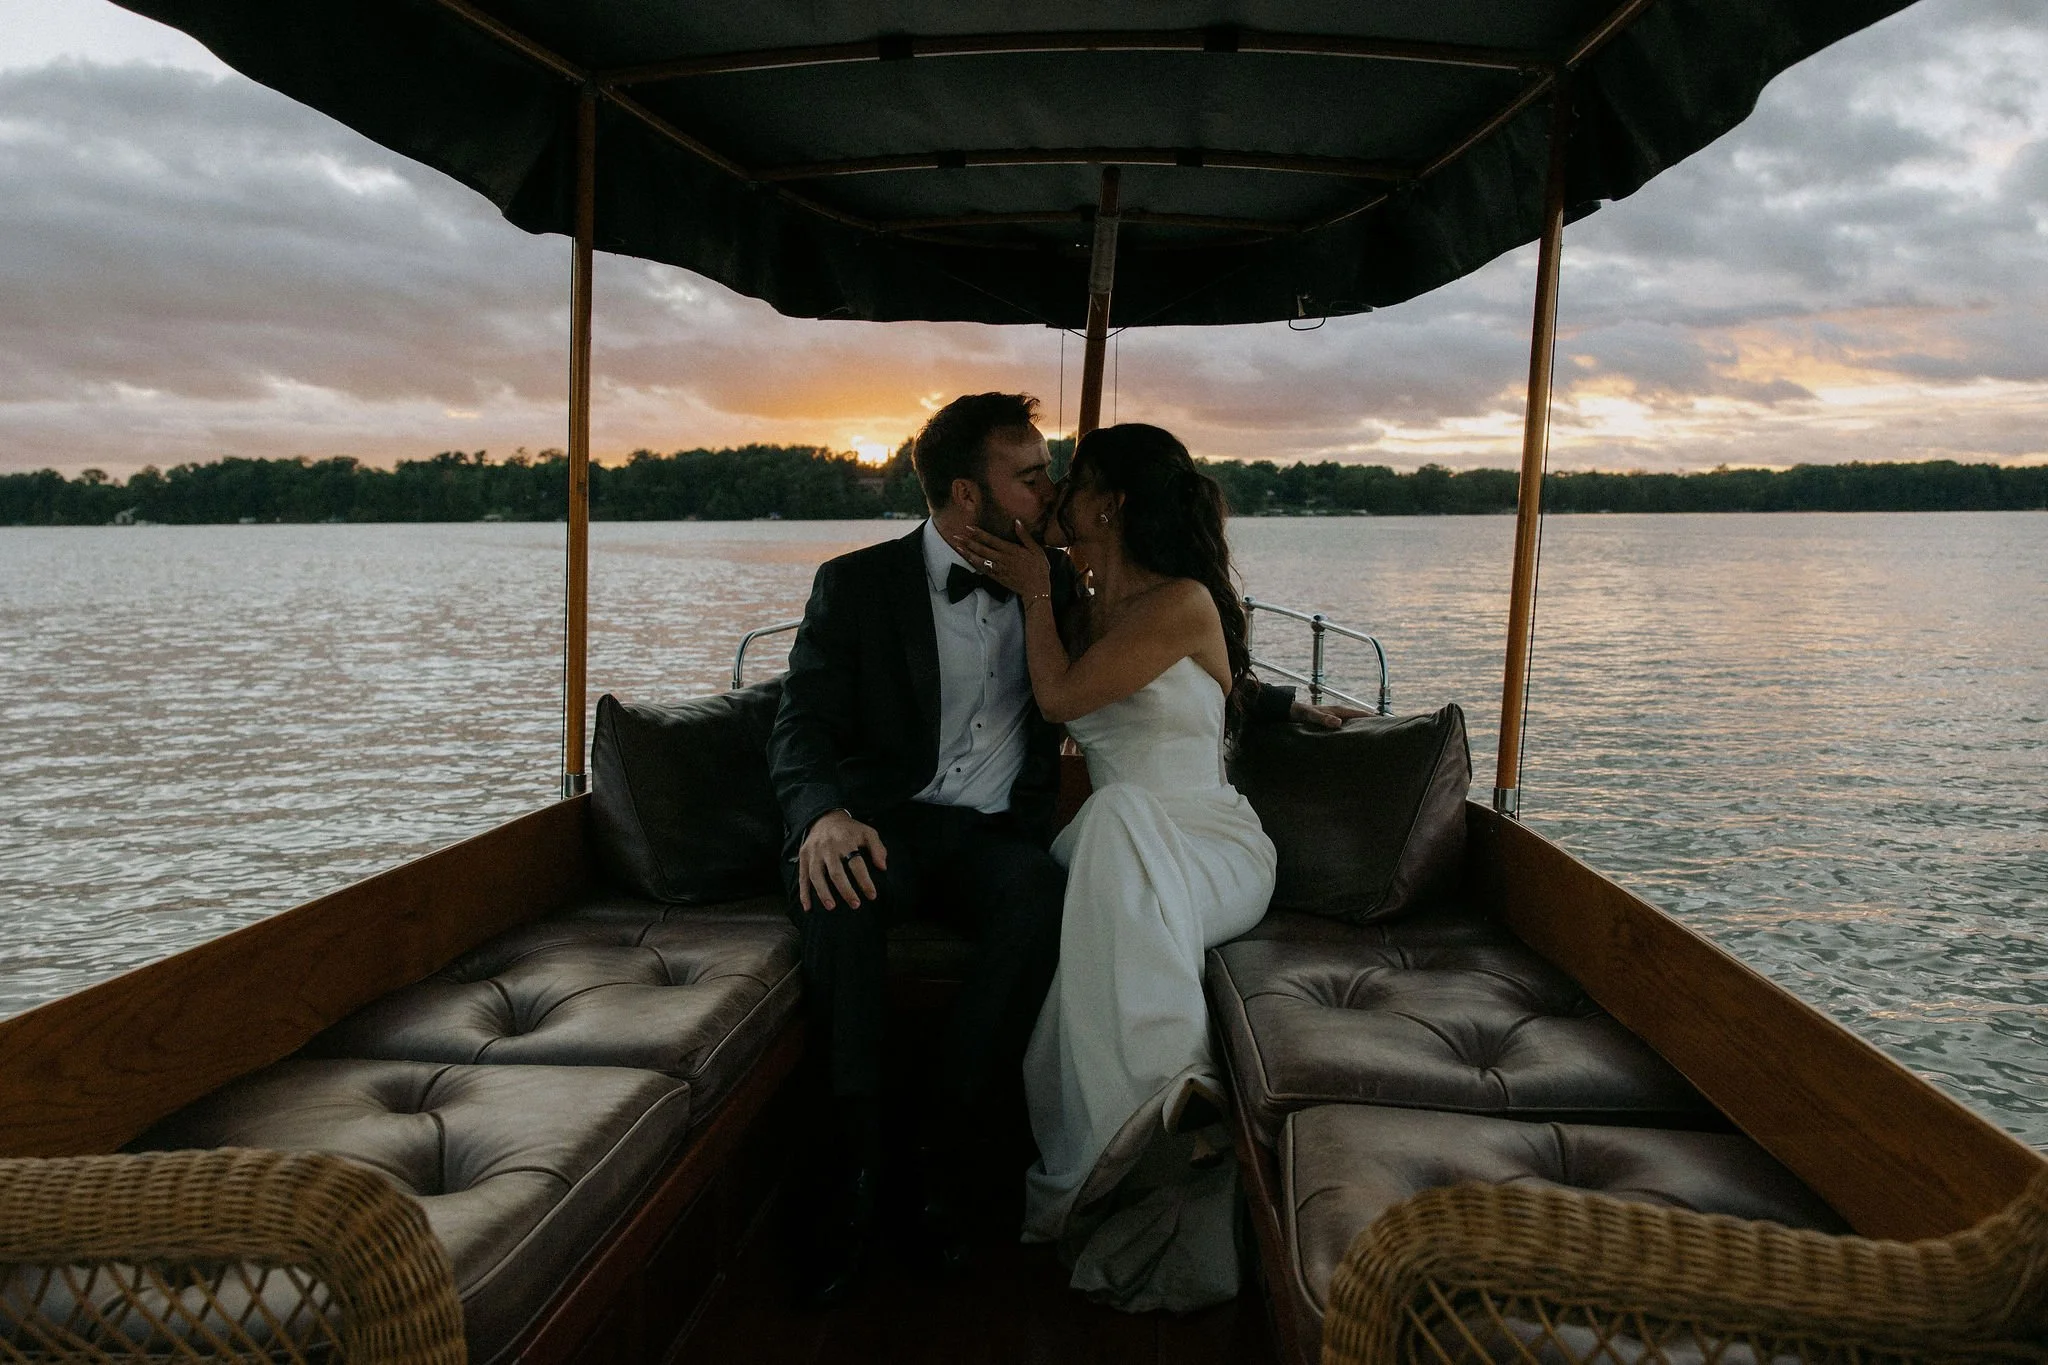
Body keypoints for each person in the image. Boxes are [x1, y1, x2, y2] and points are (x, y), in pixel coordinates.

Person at [769, 394, 1358, 1307]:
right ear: (968, 493)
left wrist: (1283, 707)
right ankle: (851, 1175)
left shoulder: (1054, 586)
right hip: (885, 823)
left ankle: (941, 1153)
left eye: (1059, 477)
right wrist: (820, 816)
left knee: (1044, 892)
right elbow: (800, 719)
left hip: (1006, 836)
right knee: (839, 894)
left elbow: (1171, 668)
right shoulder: (860, 584)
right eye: (1032, 474)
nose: (1049, 493)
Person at [953, 422, 1304, 1312]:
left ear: (1110, 501)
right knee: (1112, 820)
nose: (1056, 496)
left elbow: (1065, 696)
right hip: (1118, 840)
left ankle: (1166, 1102)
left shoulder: (1183, 600)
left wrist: (1036, 595)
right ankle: (1167, 1112)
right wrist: (1040, 586)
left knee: (1116, 819)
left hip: (1214, 848)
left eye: (1071, 483)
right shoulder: (1081, 602)